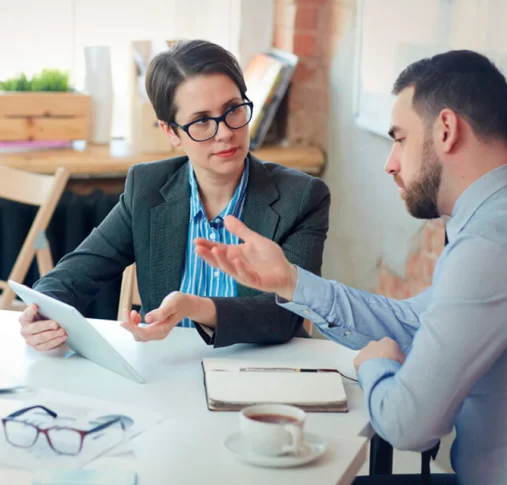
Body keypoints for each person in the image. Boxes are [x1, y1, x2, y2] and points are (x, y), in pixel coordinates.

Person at [195, 49, 507, 485]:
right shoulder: (497, 223)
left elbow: (407, 424)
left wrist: (375, 364)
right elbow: (414, 319)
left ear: (446, 129)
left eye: (400, 138)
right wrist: (290, 281)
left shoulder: (492, 245)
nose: (391, 162)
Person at [19, 39, 331, 351]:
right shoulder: (148, 187)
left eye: (233, 110)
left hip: (264, 374)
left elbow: (286, 315)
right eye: (201, 121)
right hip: (168, 370)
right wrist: (40, 313)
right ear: (171, 132)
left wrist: (196, 308)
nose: (225, 132)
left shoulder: (302, 197)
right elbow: (76, 273)